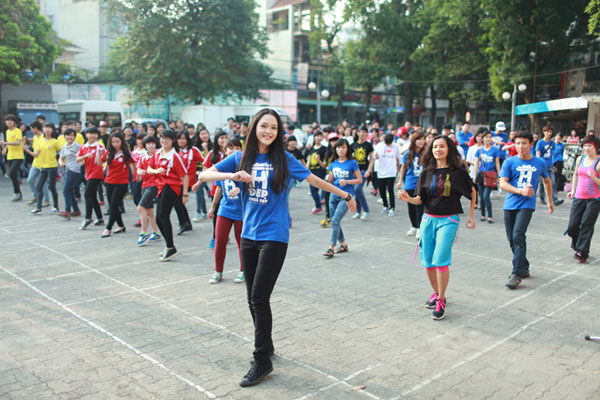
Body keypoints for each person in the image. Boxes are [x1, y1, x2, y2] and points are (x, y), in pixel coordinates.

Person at [198, 108, 356, 387]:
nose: (268, 131)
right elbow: (205, 174)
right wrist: (232, 175)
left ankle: (261, 360)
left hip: (275, 236)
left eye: (273, 127)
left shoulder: (284, 158)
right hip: (248, 235)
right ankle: (267, 346)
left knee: (259, 297)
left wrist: (344, 194)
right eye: (263, 126)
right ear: (253, 128)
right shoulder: (240, 157)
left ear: (278, 132)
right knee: (252, 299)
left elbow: (314, 180)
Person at [398, 135, 476, 320]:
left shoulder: (458, 172)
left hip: (448, 220)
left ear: (449, 149)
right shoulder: (427, 172)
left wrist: (471, 216)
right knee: (428, 261)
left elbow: (472, 192)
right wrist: (408, 199)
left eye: (441, 146)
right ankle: (437, 292)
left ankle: (441, 299)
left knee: (441, 259)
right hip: (428, 220)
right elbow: (420, 199)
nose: (438, 150)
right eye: (434, 147)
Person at [499, 131, 554, 289]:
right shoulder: (509, 162)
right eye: (517, 143)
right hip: (510, 204)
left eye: (524, 143)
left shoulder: (540, 163)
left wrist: (550, 201)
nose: (520, 146)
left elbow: (547, 181)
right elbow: (502, 184)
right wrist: (519, 190)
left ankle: (516, 274)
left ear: (531, 144)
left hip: (527, 205)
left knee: (518, 235)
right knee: (512, 239)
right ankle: (524, 266)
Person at [203, 138, 245, 284]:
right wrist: (213, 207)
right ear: (225, 150)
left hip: (241, 211)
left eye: (237, 148)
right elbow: (219, 188)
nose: (233, 151)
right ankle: (218, 271)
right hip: (225, 210)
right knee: (219, 241)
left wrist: (239, 188)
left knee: (242, 242)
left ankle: (243, 270)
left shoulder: (245, 166)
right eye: (230, 148)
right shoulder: (221, 168)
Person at [147, 129, 189, 261]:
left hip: (171, 187)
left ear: (173, 140)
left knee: (163, 216)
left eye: (167, 138)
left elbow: (185, 175)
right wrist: (155, 171)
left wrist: (185, 194)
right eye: (162, 138)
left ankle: (170, 247)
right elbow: (148, 169)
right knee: (159, 218)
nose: (164, 140)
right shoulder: (158, 153)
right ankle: (169, 246)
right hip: (160, 187)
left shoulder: (174, 156)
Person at [323, 139, 362, 258]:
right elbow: (331, 178)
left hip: (347, 196)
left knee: (335, 221)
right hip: (333, 195)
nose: (340, 149)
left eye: (343, 147)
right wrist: (329, 178)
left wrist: (348, 181)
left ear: (347, 149)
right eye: (338, 147)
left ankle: (331, 248)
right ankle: (343, 244)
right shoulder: (333, 163)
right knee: (335, 221)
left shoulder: (352, 163)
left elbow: (360, 180)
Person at [566, 135, 600, 263]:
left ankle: (582, 252)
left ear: (595, 147)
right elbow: (575, 175)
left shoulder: (599, 162)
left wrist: (594, 177)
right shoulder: (580, 159)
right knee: (572, 227)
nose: (586, 148)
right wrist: (573, 190)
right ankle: (579, 246)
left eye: (589, 145)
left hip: (594, 199)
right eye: (585, 145)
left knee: (586, 224)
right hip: (579, 197)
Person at [98, 132, 135, 238]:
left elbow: (133, 163)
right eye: (113, 142)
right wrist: (99, 154)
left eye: (117, 142)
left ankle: (108, 228)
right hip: (109, 182)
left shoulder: (126, 153)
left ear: (121, 142)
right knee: (113, 206)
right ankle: (121, 225)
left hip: (122, 183)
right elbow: (99, 163)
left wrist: (136, 176)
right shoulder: (109, 152)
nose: (115, 144)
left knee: (114, 205)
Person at [24, 123, 62, 214]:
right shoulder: (41, 141)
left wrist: (62, 161)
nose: (48, 129)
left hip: (52, 167)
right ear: (43, 129)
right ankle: (38, 208)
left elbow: (61, 152)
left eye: (50, 128)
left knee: (52, 187)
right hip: (43, 167)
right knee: (39, 186)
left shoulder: (54, 141)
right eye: (46, 128)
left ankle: (55, 207)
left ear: (52, 130)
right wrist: (27, 150)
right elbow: (36, 154)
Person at [398, 131, 425, 238]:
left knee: (420, 206)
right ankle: (414, 226)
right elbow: (403, 167)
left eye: (423, 139)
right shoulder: (408, 154)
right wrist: (400, 180)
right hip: (410, 183)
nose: (421, 141)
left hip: (422, 184)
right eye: (419, 139)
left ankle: (419, 228)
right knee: (411, 207)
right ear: (414, 140)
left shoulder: (427, 153)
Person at [77, 127, 106, 229]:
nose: (92, 135)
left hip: (97, 173)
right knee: (92, 196)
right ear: (86, 135)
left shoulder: (100, 147)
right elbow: (78, 160)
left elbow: (103, 160)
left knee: (87, 194)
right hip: (88, 173)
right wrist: (85, 156)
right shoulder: (83, 147)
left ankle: (88, 218)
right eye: (90, 133)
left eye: (94, 134)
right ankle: (100, 218)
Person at [135, 135, 162, 247]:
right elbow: (138, 168)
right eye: (148, 143)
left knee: (141, 207)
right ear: (145, 145)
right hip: (145, 184)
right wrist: (139, 172)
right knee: (150, 210)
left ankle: (144, 232)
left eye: (152, 143)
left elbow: (159, 170)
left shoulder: (159, 155)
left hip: (154, 185)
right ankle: (156, 232)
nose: (151, 145)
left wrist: (153, 171)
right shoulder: (143, 157)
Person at [203, 131, 228, 248]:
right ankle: (215, 237)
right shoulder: (213, 154)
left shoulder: (233, 153)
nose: (223, 140)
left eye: (225, 138)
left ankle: (224, 233)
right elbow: (205, 171)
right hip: (216, 189)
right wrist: (198, 183)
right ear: (217, 140)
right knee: (216, 212)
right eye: (221, 138)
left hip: (231, 190)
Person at [174, 132, 202, 235]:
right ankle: (186, 223)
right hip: (176, 181)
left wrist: (201, 173)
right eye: (179, 139)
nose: (181, 141)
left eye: (183, 139)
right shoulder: (175, 150)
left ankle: (184, 223)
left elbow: (205, 161)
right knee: (178, 202)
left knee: (177, 201)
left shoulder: (193, 150)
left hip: (188, 181)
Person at [473, 131, 501, 223]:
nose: (488, 139)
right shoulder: (479, 150)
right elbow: (477, 163)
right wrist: (474, 175)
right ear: (483, 138)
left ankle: (490, 216)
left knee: (486, 196)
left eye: (490, 137)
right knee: (481, 196)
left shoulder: (495, 150)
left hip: (490, 175)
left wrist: (499, 175)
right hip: (481, 175)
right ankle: (483, 215)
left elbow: (497, 162)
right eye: (486, 137)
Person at [536, 125, 563, 206]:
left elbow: (552, 155)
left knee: (553, 183)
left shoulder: (552, 143)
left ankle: (555, 199)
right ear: (544, 132)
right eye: (547, 131)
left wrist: (553, 165)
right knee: (542, 183)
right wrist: (539, 164)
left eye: (550, 132)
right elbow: (538, 154)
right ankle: (542, 198)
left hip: (550, 165)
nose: (549, 133)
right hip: (542, 165)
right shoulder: (540, 142)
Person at [375, 133, 401, 216]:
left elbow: (398, 157)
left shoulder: (396, 146)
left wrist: (398, 167)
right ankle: (385, 205)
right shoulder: (379, 146)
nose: (388, 144)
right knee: (382, 190)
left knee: (390, 189)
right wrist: (376, 156)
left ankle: (392, 207)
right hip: (381, 170)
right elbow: (375, 157)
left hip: (391, 171)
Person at [351, 125, 374, 219]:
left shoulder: (368, 145)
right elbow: (350, 158)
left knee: (357, 189)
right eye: (362, 132)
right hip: (355, 171)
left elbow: (372, 159)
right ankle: (358, 211)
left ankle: (366, 209)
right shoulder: (353, 145)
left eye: (366, 132)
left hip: (364, 170)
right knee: (356, 191)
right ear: (358, 133)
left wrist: (369, 170)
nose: (364, 134)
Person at [58, 129, 82, 219]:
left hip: (74, 170)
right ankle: (76, 210)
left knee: (66, 190)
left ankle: (67, 211)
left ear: (74, 137)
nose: (69, 137)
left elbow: (82, 158)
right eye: (67, 135)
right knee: (70, 191)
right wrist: (61, 162)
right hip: (67, 169)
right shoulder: (65, 146)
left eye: (72, 135)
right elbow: (61, 157)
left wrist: (80, 163)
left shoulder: (78, 146)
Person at [25, 121, 49, 207]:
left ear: (35, 128)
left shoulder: (44, 137)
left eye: (31, 128)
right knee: (30, 180)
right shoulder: (35, 137)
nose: (31, 130)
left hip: (43, 163)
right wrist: (27, 141)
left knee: (44, 183)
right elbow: (34, 145)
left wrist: (27, 150)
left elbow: (37, 152)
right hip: (35, 162)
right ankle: (36, 196)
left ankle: (46, 200)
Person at [1, 114, 24, 201]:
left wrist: (5, 143)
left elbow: (17, 142)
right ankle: (18, 193)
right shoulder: (7, 132)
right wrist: (5, 149)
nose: (9, 122)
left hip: (18, 156)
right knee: (13, 175)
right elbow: (8, 141)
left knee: (11, 173)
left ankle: (17, 193)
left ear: (14, 122)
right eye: (7, 120)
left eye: (11, 120)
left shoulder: (17, 131)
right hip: (10, 156)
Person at [305, 130, 327, 214]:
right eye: (317, 136)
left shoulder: (324, 149)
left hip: (320, 172)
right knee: (313, 190)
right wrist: (306, 168)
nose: (318, 138)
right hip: (312, 172)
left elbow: (324, 165)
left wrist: (319, 160)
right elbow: (309, 160)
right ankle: (319, 206)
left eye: (320, 136)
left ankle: (319, 206)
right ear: (314, 137)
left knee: (314, 189)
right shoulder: (311, 148)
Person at [192, 128, 212, 221]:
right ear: (199, 136)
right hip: (197, 172)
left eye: (206, 133)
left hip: (208, 172)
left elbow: (209, 160)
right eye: (202, 134)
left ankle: (198, 212)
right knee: (199, 191)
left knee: (199, 189)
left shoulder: (212, 146)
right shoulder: (196, 147)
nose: (204, 135)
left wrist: (206, 149)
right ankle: (204, 211)